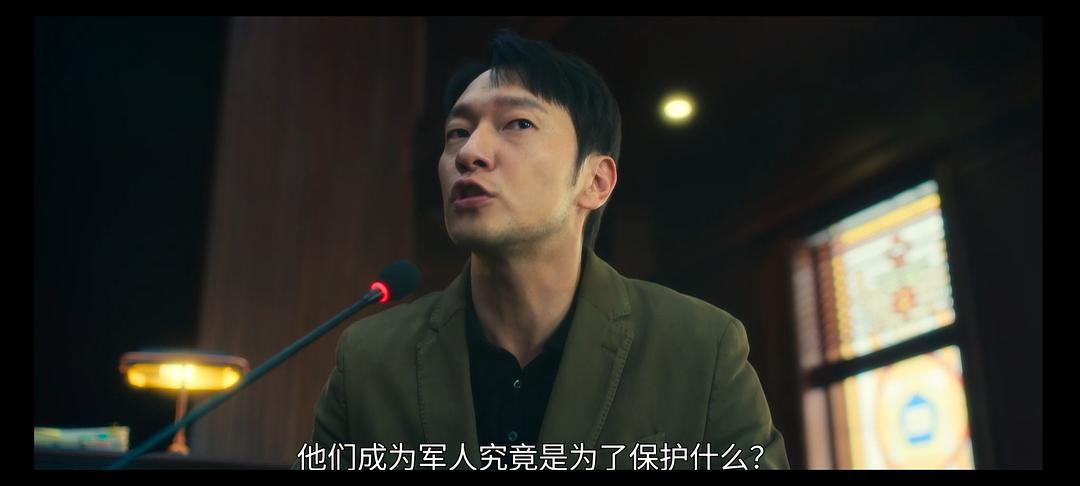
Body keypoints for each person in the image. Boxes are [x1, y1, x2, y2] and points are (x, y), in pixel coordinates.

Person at [298, 30, 789, 471]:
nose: (469, 153)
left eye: (517, 124)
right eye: (457, 133)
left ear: (596, 182)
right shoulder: (369, 360)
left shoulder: (701, 348)